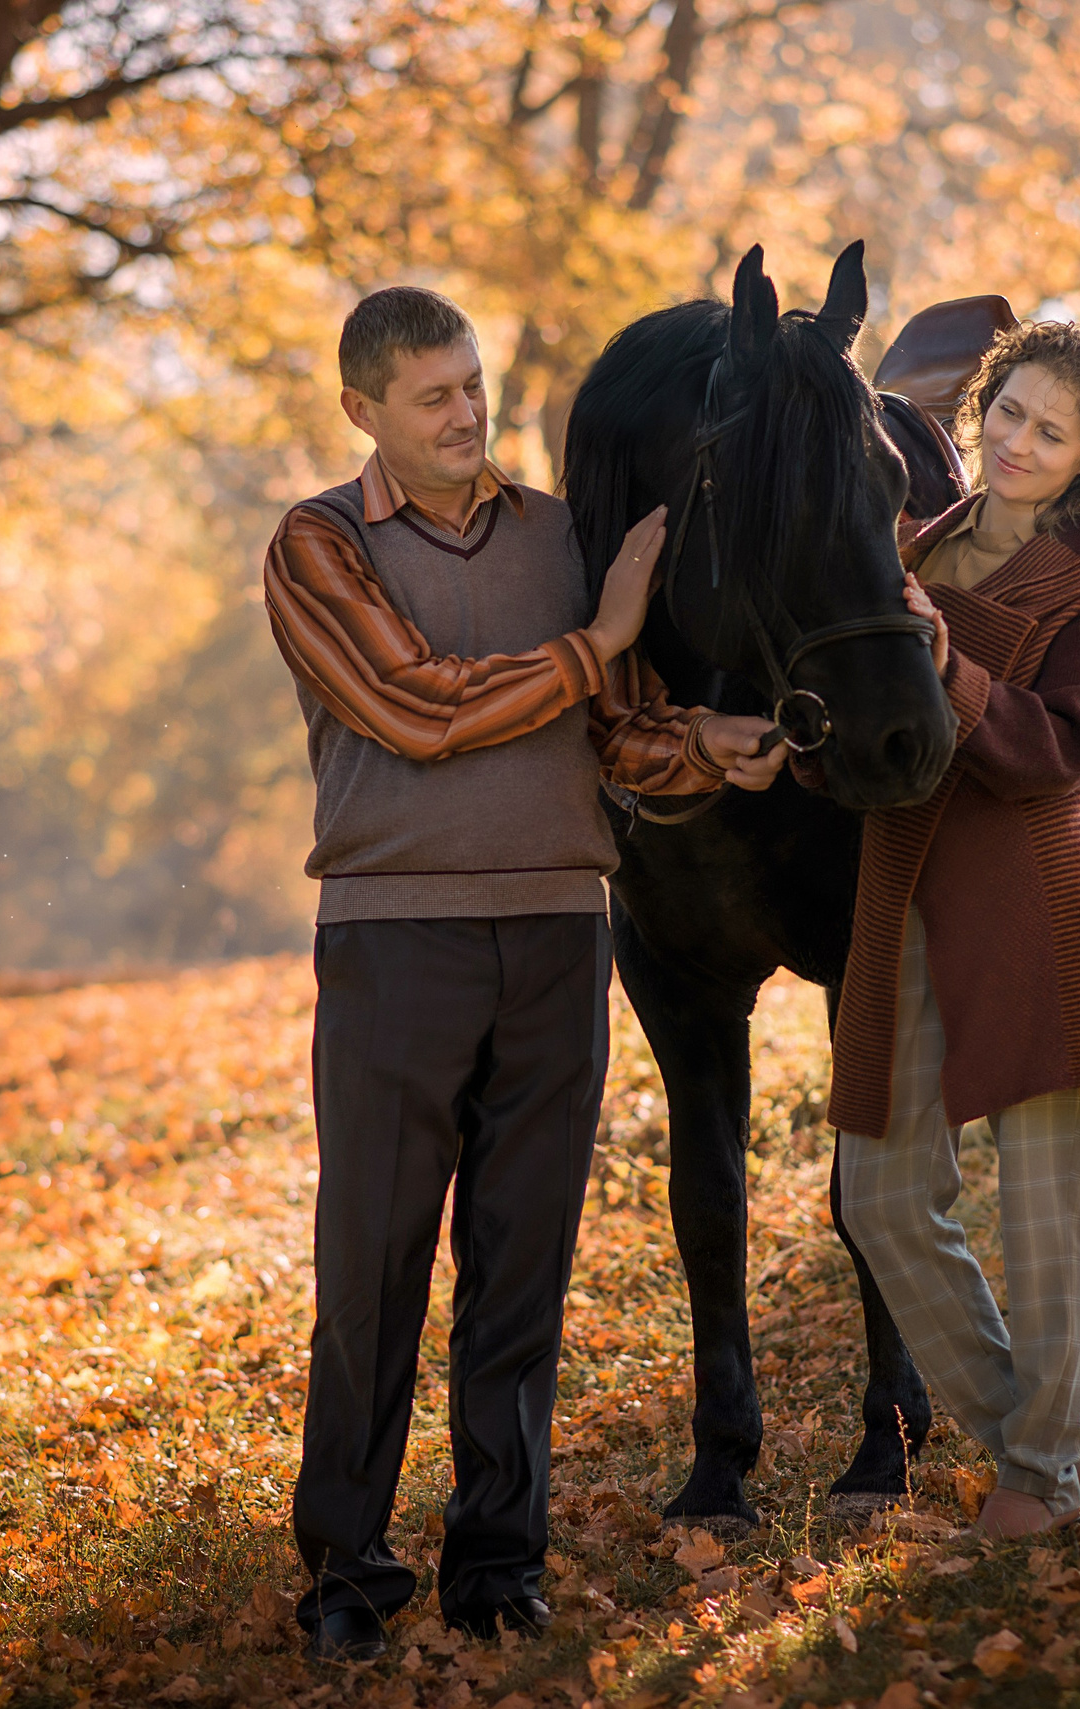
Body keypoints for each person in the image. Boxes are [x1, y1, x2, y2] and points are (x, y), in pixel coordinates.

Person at [263, 286, 789, 1660]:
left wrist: (709, 747)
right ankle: (348, 1572)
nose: (463, 415)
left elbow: (611, 738)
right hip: (395, 942)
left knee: (522, 1267)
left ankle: (500, 1562)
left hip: (560, 934)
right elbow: (419, 708)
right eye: (431, 395)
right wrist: (599, 643)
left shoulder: (560, 534)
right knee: (373, 1265)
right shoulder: (319, 545)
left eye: (474, 384)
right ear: (362, 409)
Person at [830, 318, 1080, 1539]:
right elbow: (869, 734)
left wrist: (945, 663)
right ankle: (1048, 1445)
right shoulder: (911, 546)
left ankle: (1034, 1481)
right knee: (879, 1191)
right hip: (899, 887)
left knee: (1049, 1205)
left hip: (1030, 894)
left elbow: (1060, 755)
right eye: (1009, 411)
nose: (1018, 442)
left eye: (1052, 430)